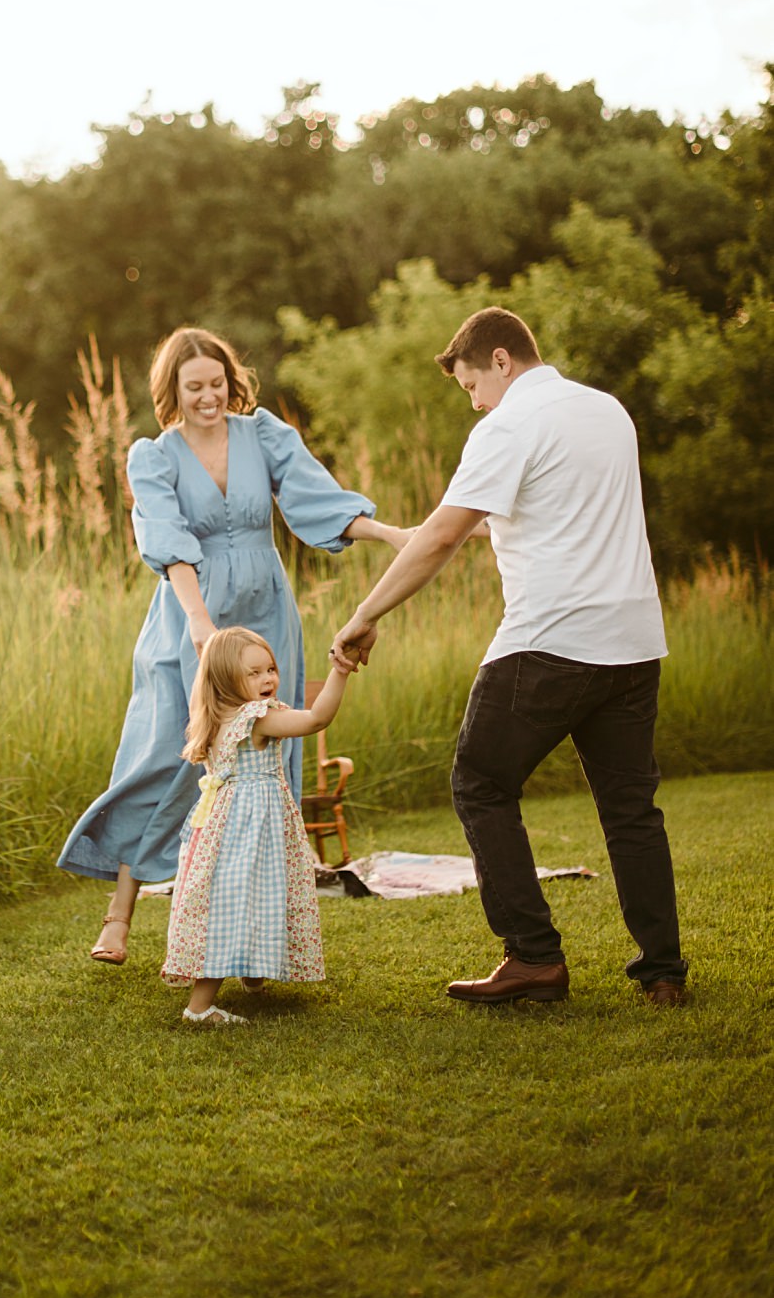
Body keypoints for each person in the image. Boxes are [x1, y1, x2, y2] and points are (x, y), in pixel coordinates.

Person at [331, 306, 688, 1008]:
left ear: (500, 359)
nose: (473, 401)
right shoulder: (607, 410)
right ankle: (663, 970)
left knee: (480, 781)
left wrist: (366, 612)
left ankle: (532, 957)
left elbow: (439, 538)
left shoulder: (509, 423)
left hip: (551, 639)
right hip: (635, 639)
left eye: (470, 385)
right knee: (631, 808)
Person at [57, 325, 409, 963]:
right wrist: (197, 620)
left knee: (264, 764)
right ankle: (120, 914)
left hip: (265, 615)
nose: (208, 397)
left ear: (230, 381)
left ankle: (256, 930)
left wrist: (391, 536)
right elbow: (167, 539)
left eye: (216, 383)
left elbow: (315, 501)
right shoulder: (155, 456)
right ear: (173, 389)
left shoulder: (264, 435)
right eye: (194, 387)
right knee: (167, 754)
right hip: (189, 618)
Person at [162, 629, 347, 1026]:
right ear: (227, 679)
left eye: (271, 669)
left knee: (245, 894)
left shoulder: (217, 716)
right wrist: (340, 672)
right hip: (249, 827)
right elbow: (316, 718)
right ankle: (199, 1008)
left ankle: (253, 970)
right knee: (238, 900)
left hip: (225, 826)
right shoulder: (256, 718)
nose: (268, 679)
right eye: (254, 673)